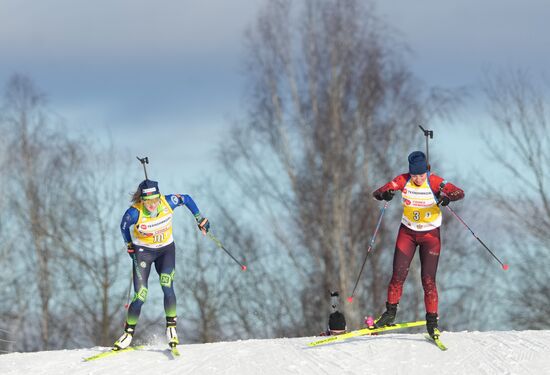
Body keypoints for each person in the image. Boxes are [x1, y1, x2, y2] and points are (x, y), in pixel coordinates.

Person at [371, 151, 464, 339]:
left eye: (421, 175)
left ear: (426, 172)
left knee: (428, 280)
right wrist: (385, 194)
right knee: (397, 275)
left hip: (430, 236)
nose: (418, 179)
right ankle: (390, 313)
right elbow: (378, 192)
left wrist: (447, 198)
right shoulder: (403, 180)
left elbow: (458, 192)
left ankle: (432, 322)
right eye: (415, 175)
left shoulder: (434, 181)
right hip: (408, 233)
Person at [113, 179, 210, 350]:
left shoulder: (168, 202)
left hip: (166, 251)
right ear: (141, 200)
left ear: (159, 197)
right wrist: (129, 244)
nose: (152, 205)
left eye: (155, 200)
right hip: (143, 252)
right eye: (147, 201)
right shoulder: (134, 213)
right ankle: (128, 334)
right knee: (140, 294)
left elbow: (186, 198)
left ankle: (171, 327)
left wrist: (199, 218)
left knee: (167, 284)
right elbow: (123, 226)